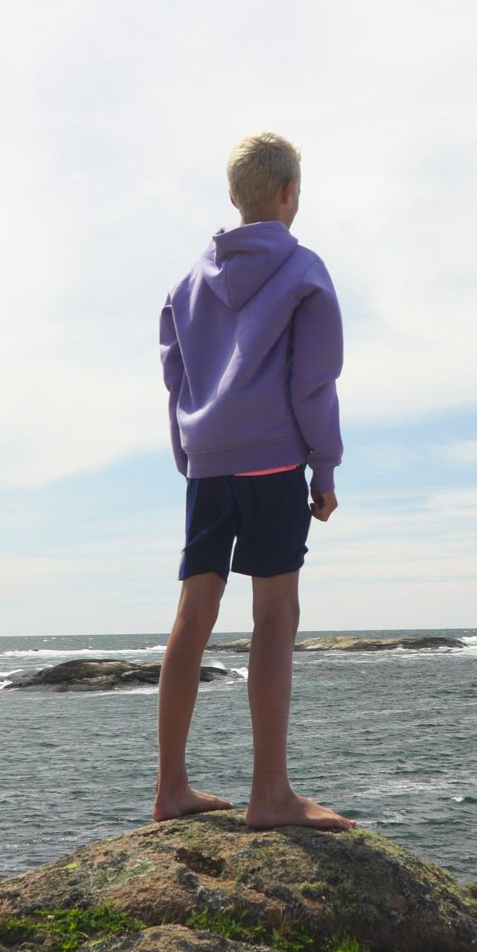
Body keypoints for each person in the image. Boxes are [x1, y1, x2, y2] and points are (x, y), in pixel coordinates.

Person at [153, 131, 353, 831]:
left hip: (208, 466)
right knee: (274, 617)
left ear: (235, 196)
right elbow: (313, 382)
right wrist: (323, 468)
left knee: (192, 618)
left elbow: (175, 377)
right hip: (272, 464)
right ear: (289, 193)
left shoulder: (186, 283)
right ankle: (271, 795)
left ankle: (170, 788)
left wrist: (192, 457)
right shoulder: (303, 269)